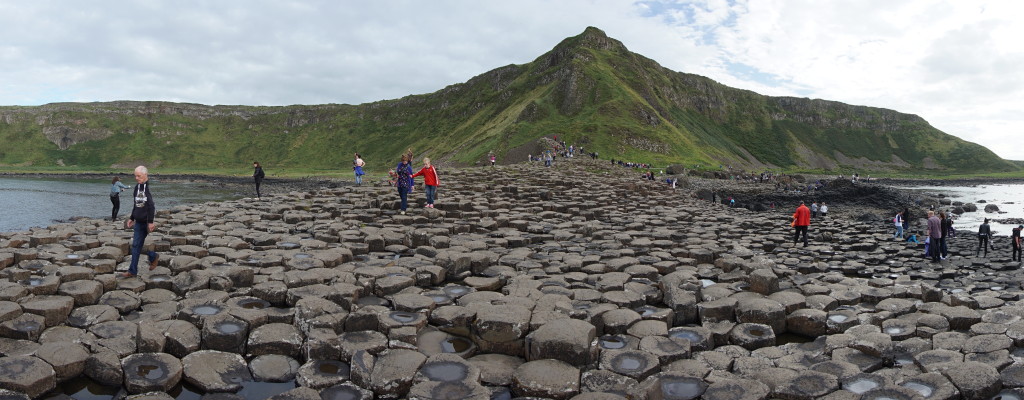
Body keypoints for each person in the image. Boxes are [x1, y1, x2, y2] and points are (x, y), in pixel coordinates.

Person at [124, 166, 158, 278]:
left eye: (139, 176)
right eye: (135, 175)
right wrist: (132, 218)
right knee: (136, 246)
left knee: (136, 246)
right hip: (138, 221)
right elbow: (136, 204)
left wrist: (151, 222)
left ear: (145, 175)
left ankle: (152, 256)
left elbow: (151, 206)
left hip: (146, 222)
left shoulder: (146, 188)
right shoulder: (137, 187)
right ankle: (134, 270)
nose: (136, 178)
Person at [395, 150, 414, 215]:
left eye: (405, 161)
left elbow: (412, 176)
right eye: (403, 161)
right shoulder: (399, 165)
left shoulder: (409, 167)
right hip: (400, 183)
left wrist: (412, 185)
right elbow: (397, 172)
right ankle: (404, 203)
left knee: (404, 196)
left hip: (406, 183)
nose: (404, 162)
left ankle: (403, 209)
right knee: (401, 195)